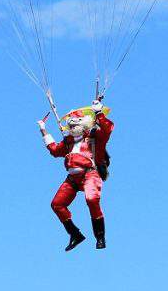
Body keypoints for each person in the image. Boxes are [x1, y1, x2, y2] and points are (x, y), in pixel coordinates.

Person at [38, 100, 113, 251]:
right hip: (72, 179)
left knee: (92, 199)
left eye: (75, 124)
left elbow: (107, 129)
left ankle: (100, 236)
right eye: (70, 125)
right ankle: (75, 234)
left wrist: (98, 113)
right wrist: (43, 131)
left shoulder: (95, 138)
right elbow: (55, 150)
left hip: (89, 174)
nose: (72, 127)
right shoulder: (69, 142)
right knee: (57, 204)